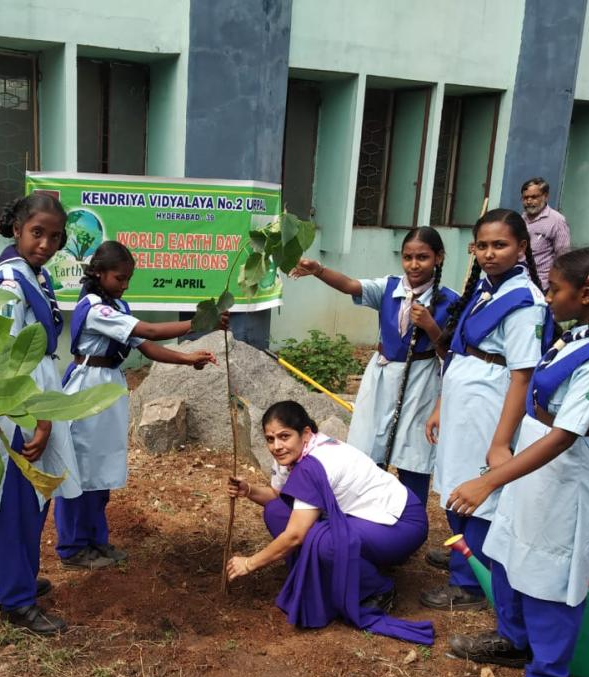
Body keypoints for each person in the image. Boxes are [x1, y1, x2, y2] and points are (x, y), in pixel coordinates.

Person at [446, 248, 589, 677]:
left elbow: (563, 437)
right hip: (532, 461)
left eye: (554, 289)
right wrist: (502, 447)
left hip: (564, 472)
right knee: (509, 551)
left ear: (586, 294)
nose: (547, 297)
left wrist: (489, 482)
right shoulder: (575, 336)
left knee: (551, 574)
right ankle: (513, 639)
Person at [54, 242, 225, 568]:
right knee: (80, 469)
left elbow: (144, 345)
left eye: (128, 279)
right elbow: (148, 329)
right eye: (120, 278)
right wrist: (201, 322)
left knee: (102, 466)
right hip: (88, 387)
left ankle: (96, 540)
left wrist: (188, 359)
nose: (125, 284)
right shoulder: (94, 308)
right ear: (99, 273)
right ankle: (73, 548)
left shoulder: (116, 304)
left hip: (109, 386)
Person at [421, 208, 553, 611]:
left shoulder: (524, 302)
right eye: (483, 245)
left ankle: (471, 580)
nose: (490, 253)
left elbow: (522, 374)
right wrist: (442, 405)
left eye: (501, 245)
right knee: (455, 476)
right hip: (464, 399)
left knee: (478, 486)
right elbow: (459, 351)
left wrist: (500, 441)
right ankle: (464, 549)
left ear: (522, 247)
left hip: (489, 403)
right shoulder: (485, 289)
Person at [225, 401, 434, 644]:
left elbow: (295, 535)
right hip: (364, 518)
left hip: (401, 523)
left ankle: (377, 589)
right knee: (276, 511)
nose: (277, 446)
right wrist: (248, 490)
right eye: (270, 439)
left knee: (324, 542)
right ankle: (324, 573)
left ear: (305, 433)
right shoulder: (295, 454)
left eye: (284, 436)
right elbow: (276, 496)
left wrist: (249, 563)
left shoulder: (315, 462)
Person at [290, 227, 459, 506]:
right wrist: (318, 270)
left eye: (423, 257)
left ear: (438, 258)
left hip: (421, 378)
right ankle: (368, 511)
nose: (414, 265)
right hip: (382, 374)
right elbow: (351, 285)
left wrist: (430, 325)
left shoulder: (450, 301)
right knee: (369, 446)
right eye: (408, 257)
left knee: (414, 450)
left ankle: (411, 518)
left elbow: (449, 351)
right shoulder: (389, 287)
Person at [0, 193, 82, 635]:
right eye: (38, 233)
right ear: (17, 228)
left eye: (55, 237)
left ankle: (12, 581)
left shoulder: (32, 276)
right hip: (18, 406)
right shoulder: (9, 282)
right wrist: (36, 418)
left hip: (36, 396)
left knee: (33, 498)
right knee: (18, 503)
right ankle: (15, 601)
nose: (47, 244)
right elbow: (4, 359)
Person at [521, 177, 571, 289]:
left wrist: (554, 287)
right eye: (525, 198)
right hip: (518, 282)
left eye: (534, 197)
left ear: (545, 196)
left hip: (541, 286)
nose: (529, 201)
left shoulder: (556, 221)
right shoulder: (520, 219)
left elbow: (562, 258)